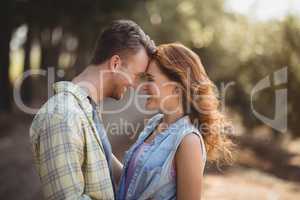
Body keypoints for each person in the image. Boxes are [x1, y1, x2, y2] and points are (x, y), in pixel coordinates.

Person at [29, 19, 156, 200]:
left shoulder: (86, 109)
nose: (135, 85)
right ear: (115, 64)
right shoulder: (62, 115)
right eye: (136, 76)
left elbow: (103, 169)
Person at [117, 43, 233, 200]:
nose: (143, 87)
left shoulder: (188, 141)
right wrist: (97, 139)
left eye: (150, 79)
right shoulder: (155, 124)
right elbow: (131, 182)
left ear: (177, 88)